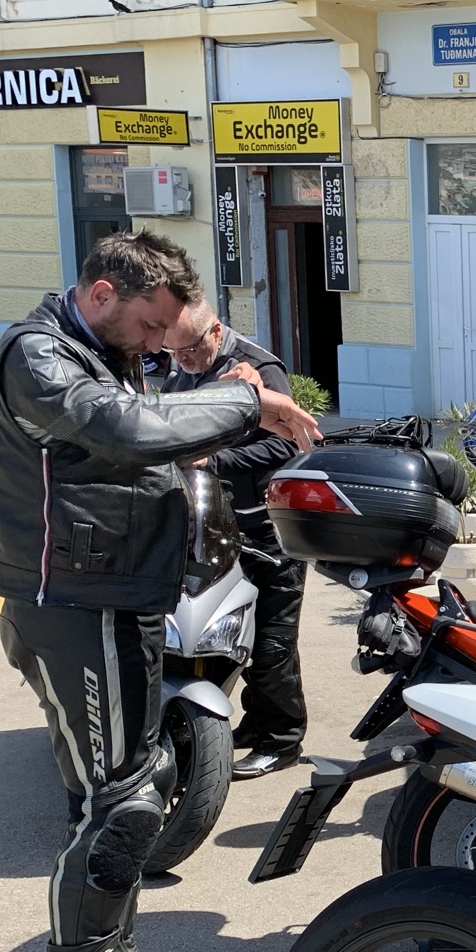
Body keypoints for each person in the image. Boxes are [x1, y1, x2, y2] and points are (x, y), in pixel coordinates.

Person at [0, 231, 319, 952]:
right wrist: (247, 400)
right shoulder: (38, 358)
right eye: (151, 323)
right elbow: (125, 430)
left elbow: (153, 443)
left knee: (143, 783)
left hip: (123, 595)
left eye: (168, 328)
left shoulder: (108, 353)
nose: (161, 342)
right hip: (72, 606)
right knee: (119, 807)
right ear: (102, 294)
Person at [163, 301, 309, 778]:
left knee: (270, 645)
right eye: (171, 352)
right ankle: (254, 722)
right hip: (214, 527)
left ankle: (282, 741)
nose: (181, 360)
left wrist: (214, 462)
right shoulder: (182, 368)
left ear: (215, 331)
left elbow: (286, 443)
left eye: (188, 349)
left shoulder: (259, 367)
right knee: (227, 635)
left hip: (268, 531)